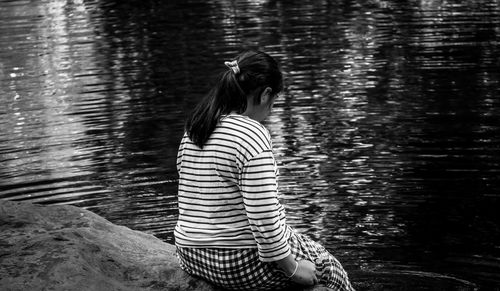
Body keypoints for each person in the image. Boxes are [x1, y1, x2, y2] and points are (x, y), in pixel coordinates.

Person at [175, 50, 354, 291]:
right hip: (237, 262)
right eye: (274, 102)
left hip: (190, 254)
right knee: (331, 270)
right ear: (266, 94)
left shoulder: (197, 126)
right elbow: (263, 214)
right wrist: (292, 268)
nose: (270, 111)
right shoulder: (252, 134)